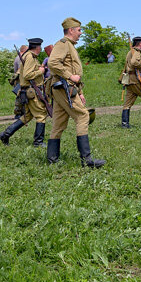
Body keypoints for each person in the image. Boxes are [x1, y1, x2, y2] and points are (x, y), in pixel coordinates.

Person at [47, 17, 105, 168]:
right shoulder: (63, 44)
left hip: (66, 88)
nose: (80, 33)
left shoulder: (70, 46)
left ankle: (52, 159)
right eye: (79, 30)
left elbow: (73, 71)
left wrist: (80, 92)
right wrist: (69, 75)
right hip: (63, 87)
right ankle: (87, 160)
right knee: (83, 116)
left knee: (59, 123)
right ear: (71, 30)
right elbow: (53, 63)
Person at [0, 37, 51, 147]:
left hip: (28, 90)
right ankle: (38, 142)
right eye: (40, 47)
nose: (41, 49)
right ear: (37, 47)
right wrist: (40, 71)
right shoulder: (30, 57)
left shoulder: (28, 56)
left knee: (27, 116)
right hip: (31, 91)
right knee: (41, 115)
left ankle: (5, 135)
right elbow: (27, 75)